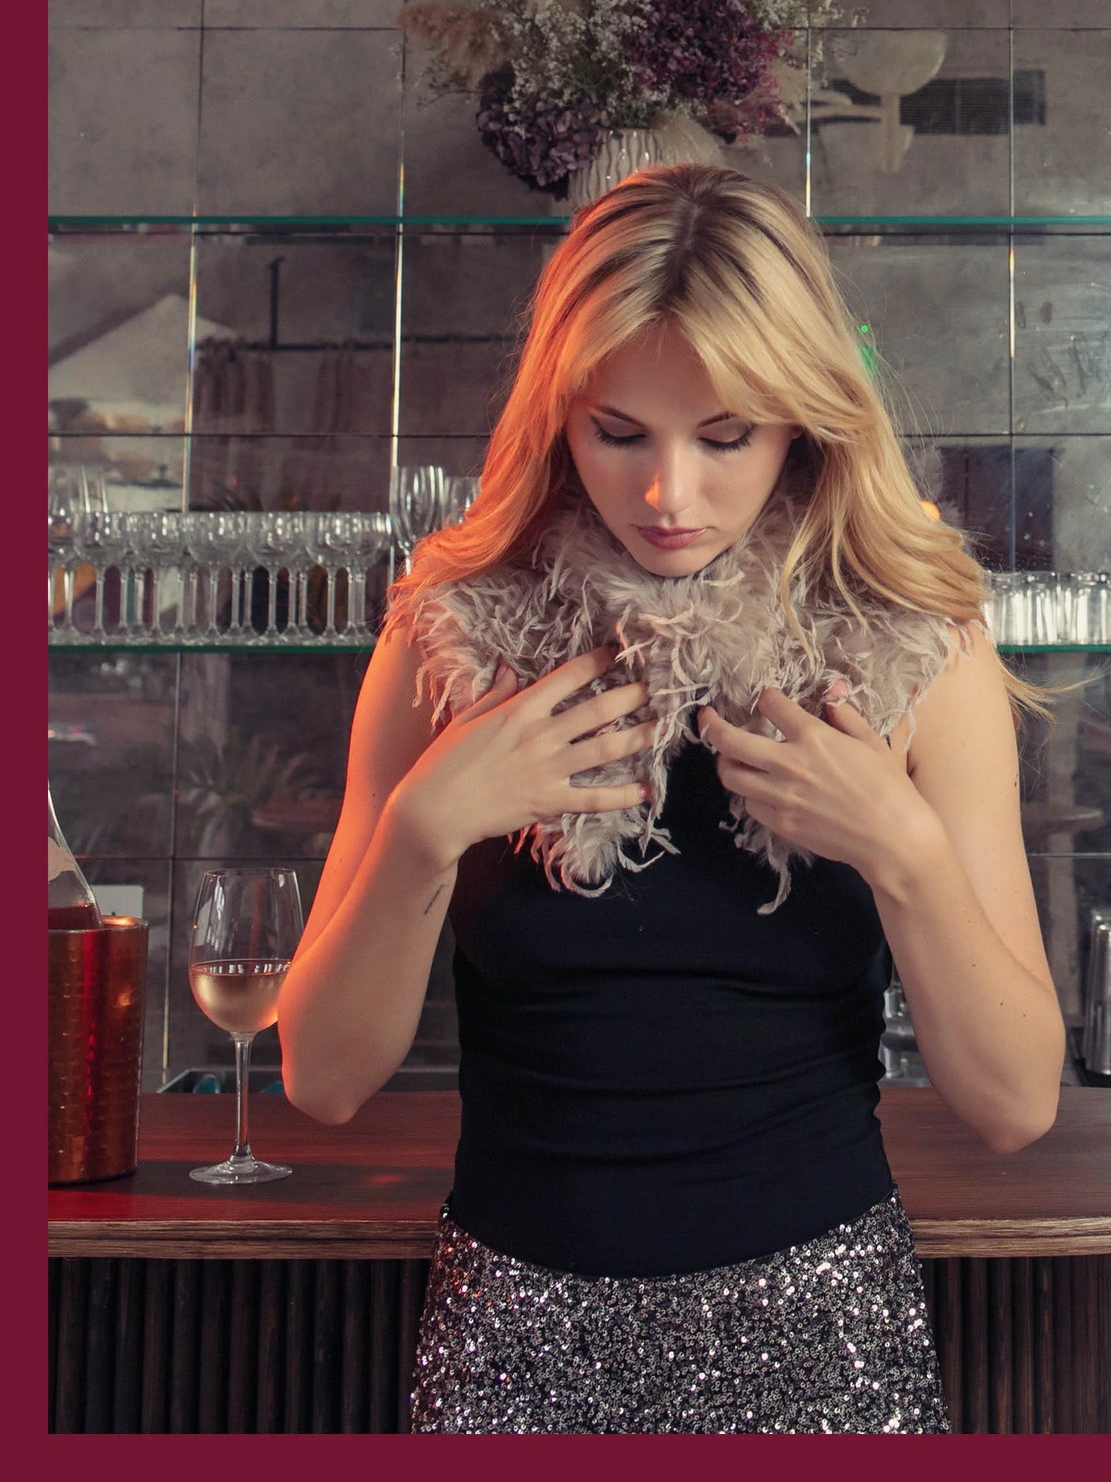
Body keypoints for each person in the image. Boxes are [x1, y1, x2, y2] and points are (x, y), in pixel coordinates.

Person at [276, 164, 1067, 1434]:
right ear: (556, 419)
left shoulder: (915, 650)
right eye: (618, 431)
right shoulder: (453, 637)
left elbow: (1015, 1104)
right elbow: (322, 1078)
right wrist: (430, 827)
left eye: (724, 436)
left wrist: (900, 850)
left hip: (821, 1336)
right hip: (513, 1337)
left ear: (804, 422)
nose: (668, 497)